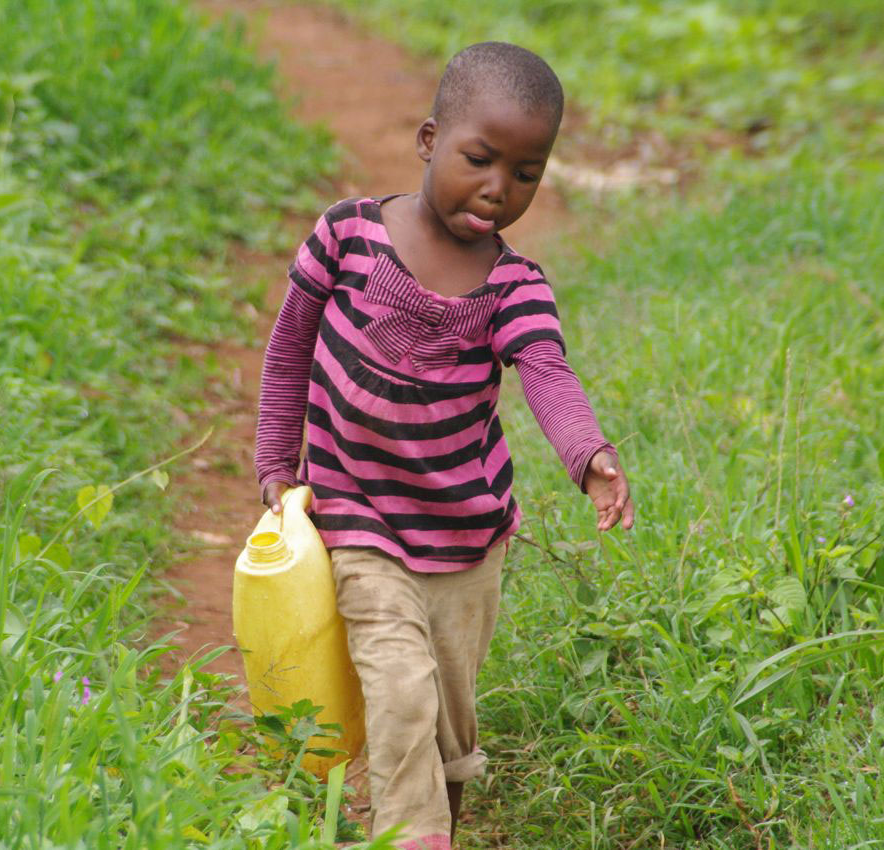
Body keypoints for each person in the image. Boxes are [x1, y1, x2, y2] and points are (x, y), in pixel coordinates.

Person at [254, 41, 634, 850]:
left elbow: (548, 375)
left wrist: (589, 456)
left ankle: (441, 822)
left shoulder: (514, 287)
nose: (498, 189)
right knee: (398, 687)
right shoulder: (346, 236)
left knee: (449, 722)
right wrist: (274, 459)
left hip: (465, 538)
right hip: (359, 515)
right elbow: (289, 345)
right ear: (430, 141)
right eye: (479, 158)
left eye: (526, 173)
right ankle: (411, 834)